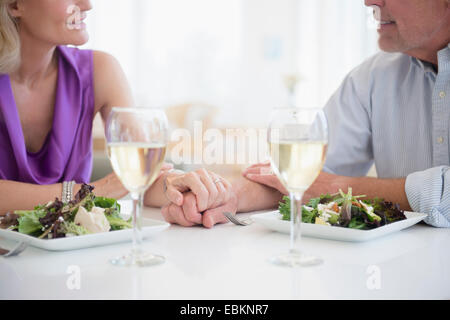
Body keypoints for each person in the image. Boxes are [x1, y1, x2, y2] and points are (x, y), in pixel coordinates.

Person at [163, 0, 450, 228]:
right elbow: (302, 181)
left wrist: (335, 186)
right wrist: (224, 196)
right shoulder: (374, 78)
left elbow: (319, 183)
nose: (369, 1)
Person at [0, 0, 231, 228]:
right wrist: (94, 191)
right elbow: (112, 186)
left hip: (72, 259)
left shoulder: (100, 70)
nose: (87, 4)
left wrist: (175, 186)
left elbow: (136, 174)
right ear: (14, 5)